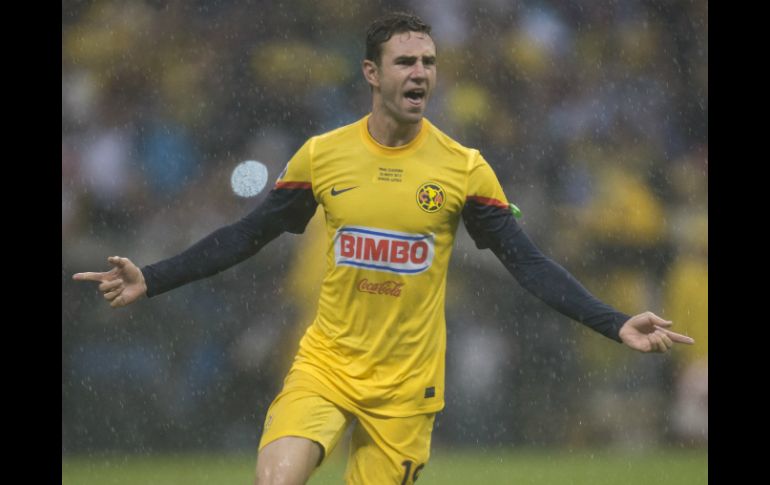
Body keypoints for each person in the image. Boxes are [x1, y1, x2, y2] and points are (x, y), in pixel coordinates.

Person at [73, 12, 695, 485]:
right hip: (327, 365)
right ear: (372, 73)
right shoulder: (323, 156)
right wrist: (152, 277)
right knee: (275, 480)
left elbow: (526, 262)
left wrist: (614, 322)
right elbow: (246, 233)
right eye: (404, 62)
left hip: (405, 390)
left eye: (428, 61)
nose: (420, 72)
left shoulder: (464, 169)